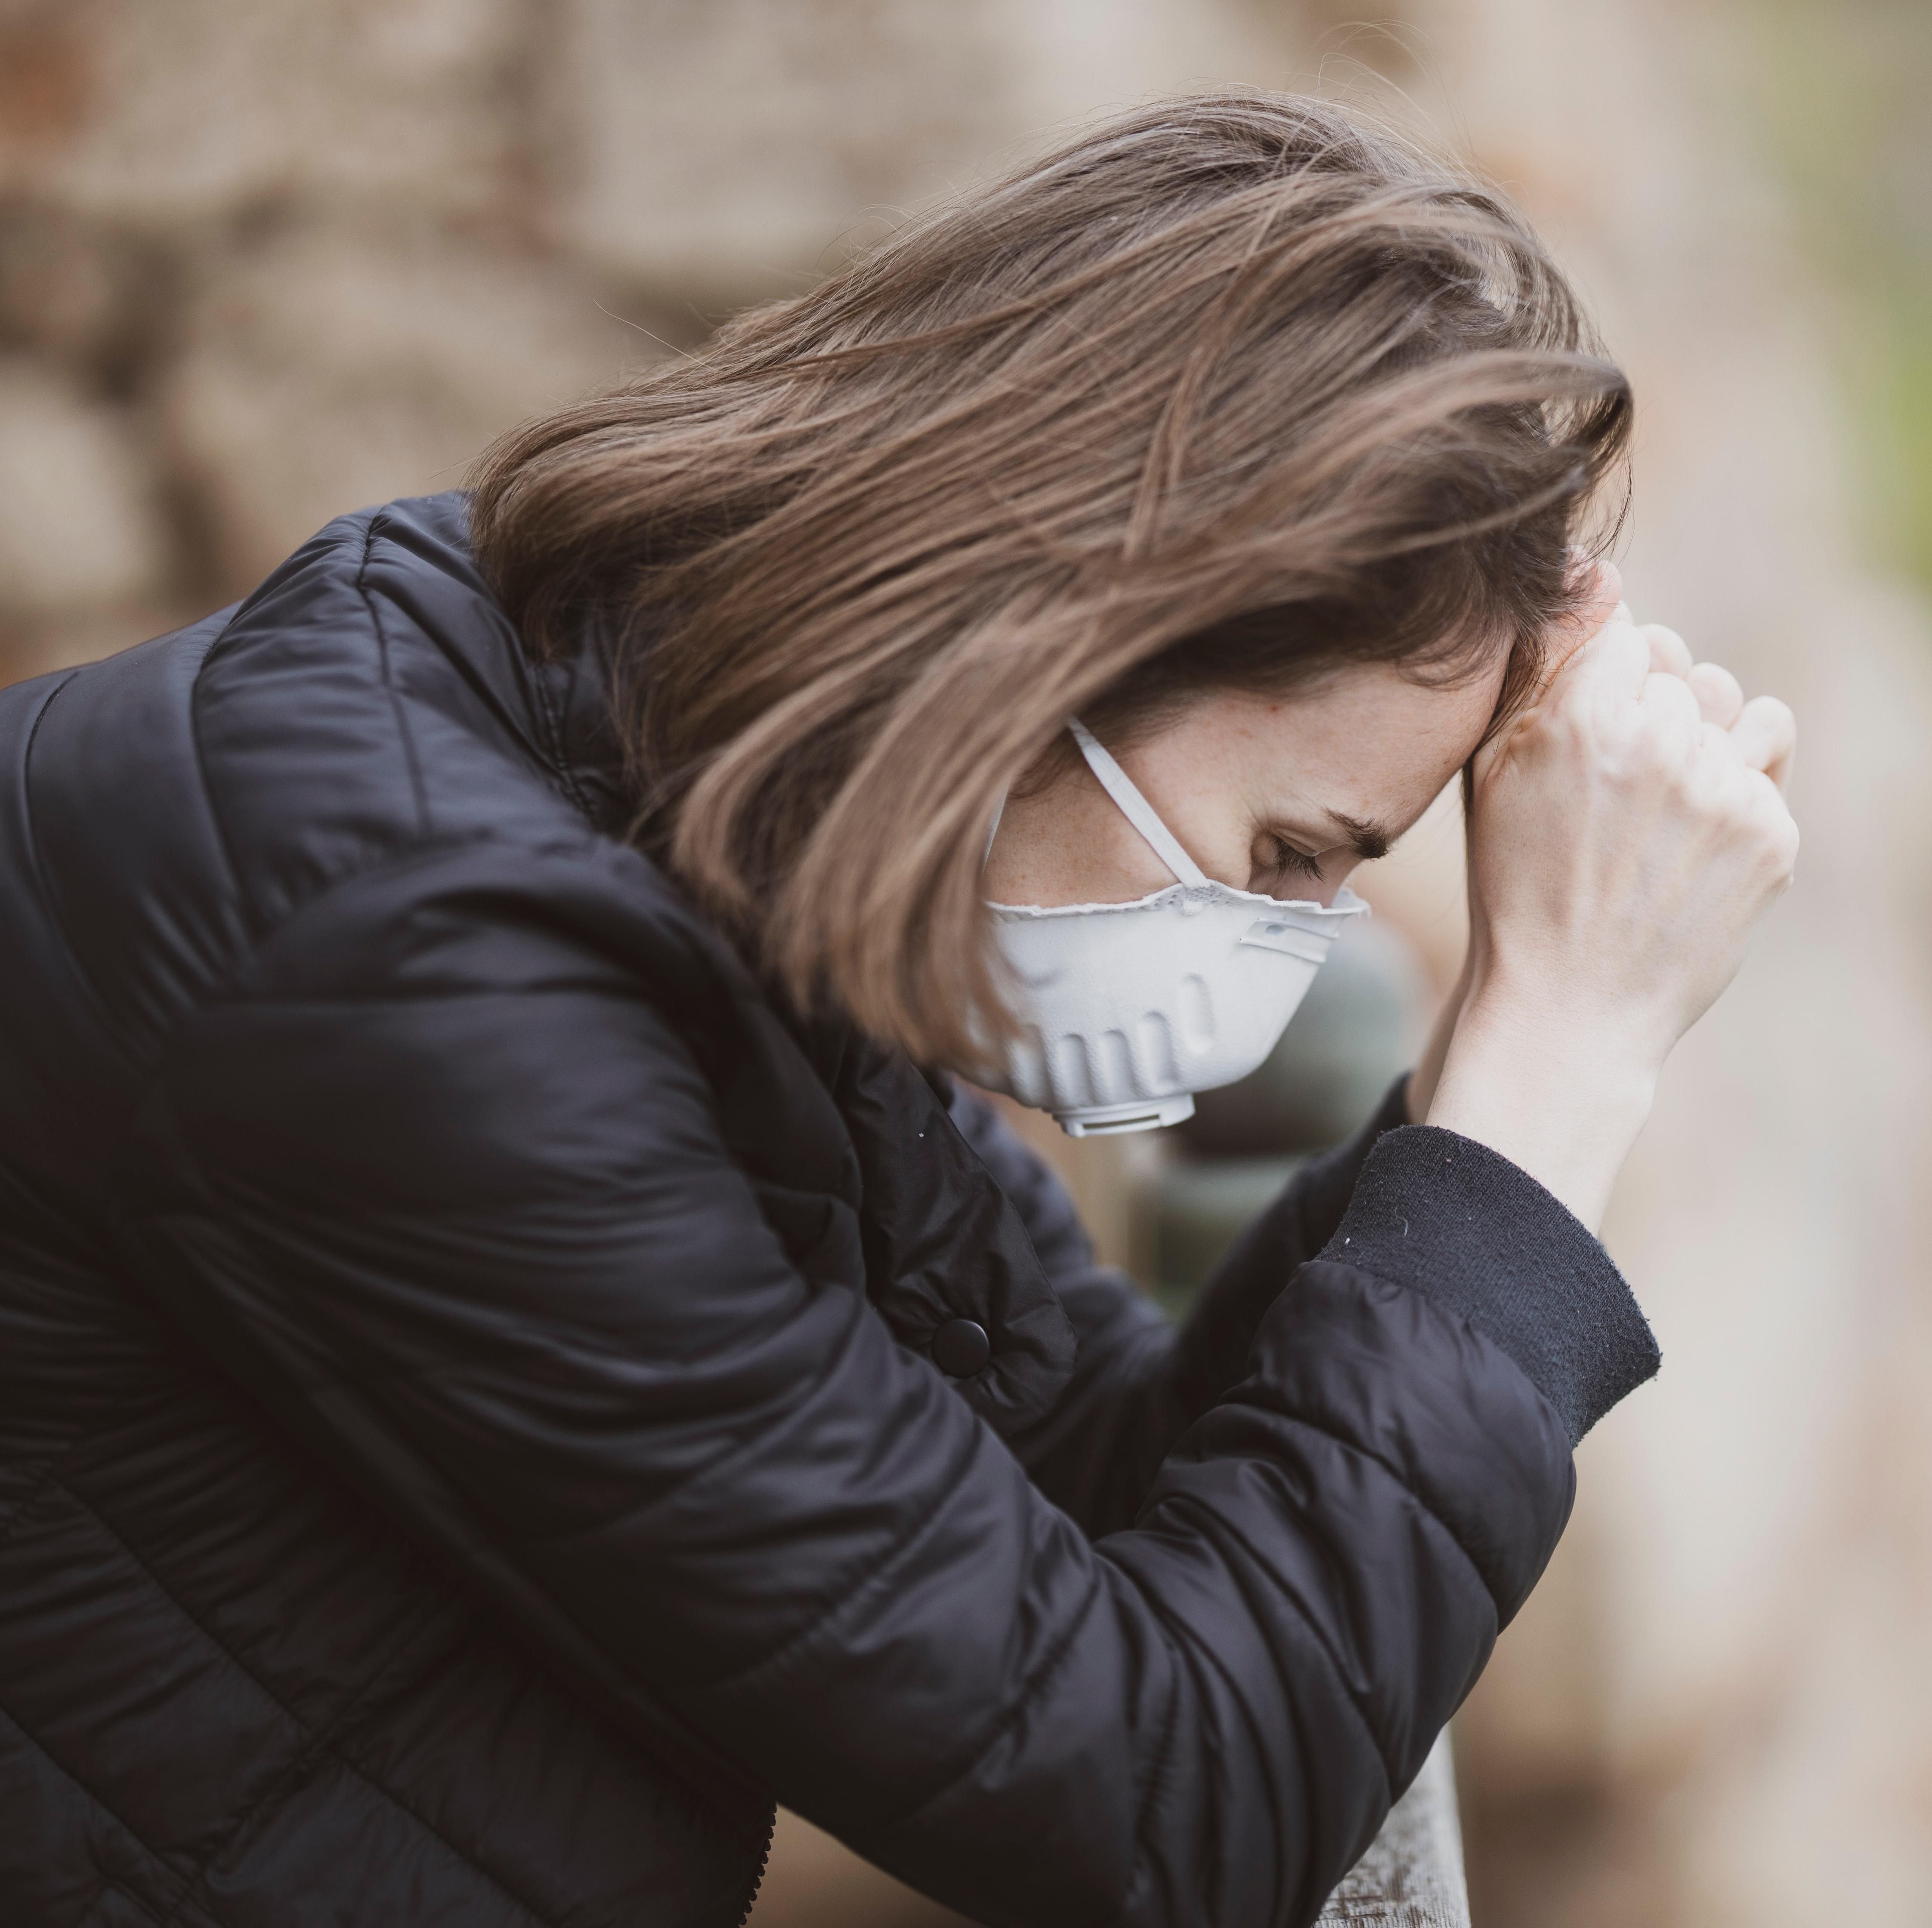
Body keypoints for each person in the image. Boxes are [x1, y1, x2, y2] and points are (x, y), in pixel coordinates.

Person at [0, 91, 1796, 1928]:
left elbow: (1102, 1497)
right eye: (1283, 850)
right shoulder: (415, 957)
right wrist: (1557, 1068)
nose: (1282, 952)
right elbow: (1152, 1810)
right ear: (1066, 626)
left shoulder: (660, 806)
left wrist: (1471, 1104)